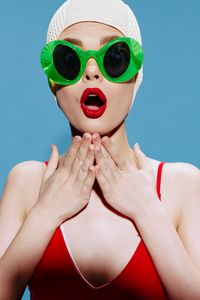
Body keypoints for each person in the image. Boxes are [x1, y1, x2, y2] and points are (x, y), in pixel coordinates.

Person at [0, 0, 200, 299]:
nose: (92, 72)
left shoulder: (181, 184)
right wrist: (44, 214)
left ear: (136, 79)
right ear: (54, 85)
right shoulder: (28, 183)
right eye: (69, 59)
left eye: (114, 58)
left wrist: (148, 211)